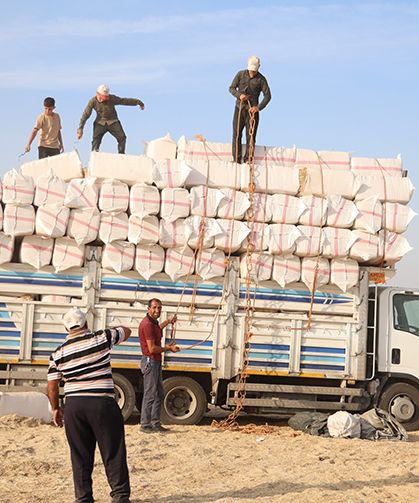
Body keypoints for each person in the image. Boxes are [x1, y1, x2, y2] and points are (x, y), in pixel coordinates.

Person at [47, 307, 132, 503]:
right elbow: (126, 331)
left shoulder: (57, 353)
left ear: (66, 328)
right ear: (85, 324)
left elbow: (52, 385)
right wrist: (112, 330)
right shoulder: (101, 338)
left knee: (80, 455)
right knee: (113, 450)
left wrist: (56, 409)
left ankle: (83, 498)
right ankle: (119, 496)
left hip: (74, 406)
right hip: (102, 403)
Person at [138, 298, 180, 433]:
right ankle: (145, 424)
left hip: (155, 361)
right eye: (155, 308)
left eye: (159, 308)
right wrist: (168, 348)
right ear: (148, 308)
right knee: (150, 394)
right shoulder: (148, 325)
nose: (157, 310)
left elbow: (158, 329)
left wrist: (168, 321)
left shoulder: (152, 323)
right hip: (151, 361)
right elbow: (152, 349)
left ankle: (155, 423)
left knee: (159, 394)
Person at [77, 84, 145, 154]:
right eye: (102, 97)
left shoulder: (112, 98)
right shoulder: (92, 101)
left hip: (113, 121)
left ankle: (121, 155)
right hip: (100, 123)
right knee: (96, 140)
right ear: (97, 94)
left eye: (106, 97)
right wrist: (80, 128)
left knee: (122, 137)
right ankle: (94, 155)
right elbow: (86, 114)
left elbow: (124, 101)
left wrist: (138, 102)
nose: (104, 99)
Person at [229, 56, 271, 163]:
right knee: (237, 135)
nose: (252, 72)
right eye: (250, 70)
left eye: (254, 70)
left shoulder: (262, 79)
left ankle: (248, 159)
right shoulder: (240, 74)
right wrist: (239, 95)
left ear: (258, 68)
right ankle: (237, 160)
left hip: (252, 113)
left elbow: (268, 96)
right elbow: (231, 88)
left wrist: (258, 108)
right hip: (239, 109)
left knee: (250, 137)